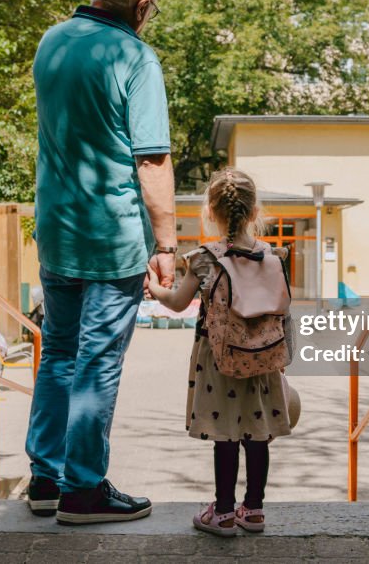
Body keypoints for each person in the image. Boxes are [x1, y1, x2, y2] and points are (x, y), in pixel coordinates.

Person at [26, 0, 177, 525]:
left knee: (58, 354)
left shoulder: (52, 42)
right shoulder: (135, 58)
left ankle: (46, 478)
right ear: (142, 5)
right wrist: (164, 248)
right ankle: (84, 491)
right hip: (110, 239)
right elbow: (152, 161)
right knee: (97, 361)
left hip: (56, 231)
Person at [146, 168, 291, 537]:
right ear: (255, 211)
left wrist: (154, 289)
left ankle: (223, 512)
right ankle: (254, 510)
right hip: (263, 360)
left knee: (226, 434)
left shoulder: (205, 257)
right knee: (257, 433)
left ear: (211, 212)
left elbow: (178, 303)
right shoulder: (272, 255)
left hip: (220, 359)